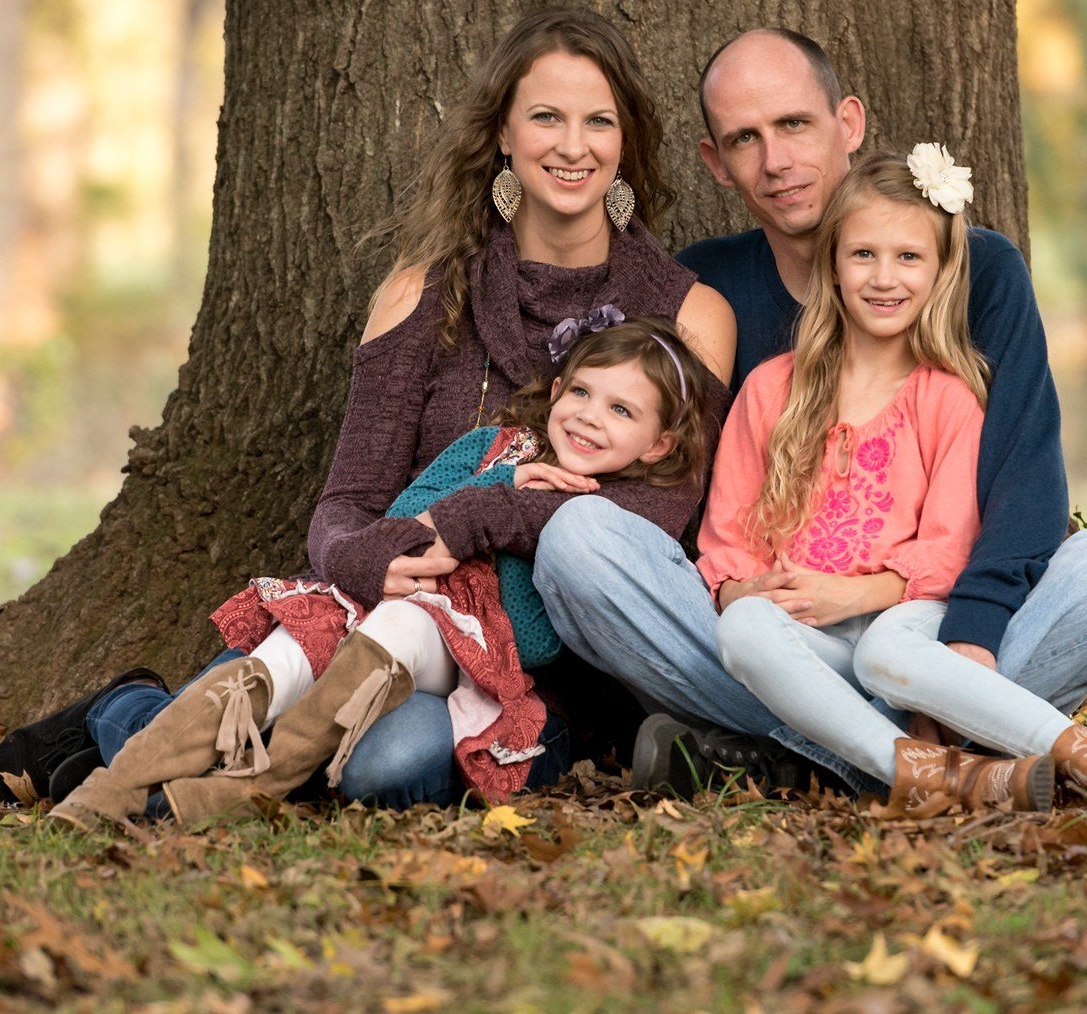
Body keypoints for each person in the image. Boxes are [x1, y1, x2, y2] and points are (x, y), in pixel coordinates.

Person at [15, 8, 735, 824]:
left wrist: (473, 518)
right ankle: (133, 724)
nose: (573, 145)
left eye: (598, 121)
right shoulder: (421, 293)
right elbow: (344, 505)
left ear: (626, 139)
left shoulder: (687, 316)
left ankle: (126, 733)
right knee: (266, 693)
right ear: (504, 133)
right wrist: (369, 560)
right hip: (388, 615)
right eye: (546, 117)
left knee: (387, 770)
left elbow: (651, 517)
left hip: (541, 672)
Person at [534, 28, 1087, 797]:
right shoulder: (702, 290)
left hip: (929, 624)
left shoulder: (980, 273)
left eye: (794, 123)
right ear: (716, 162)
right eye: (745, 139)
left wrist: (967, 639)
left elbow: (1024, 484)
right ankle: (910, 759)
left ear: (848, 123)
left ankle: (803, 760)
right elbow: (671, 477)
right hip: (772, 626)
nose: (776, 160)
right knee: (579, 542)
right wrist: (730, 588)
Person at [53, 318, 713, 828]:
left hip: (456, 658)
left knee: (402, 633)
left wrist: (513, 524)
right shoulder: (487, 448)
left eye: (622, 410)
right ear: (559, 390)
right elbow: (397, 531)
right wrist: (500, 487)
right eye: (584, 392)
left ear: (658, 444)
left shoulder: (609, 520)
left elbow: (534, 641)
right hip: (368, 612)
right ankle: (106, 793)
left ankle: (253, 786)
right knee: (282, 657)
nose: (591, 416)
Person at [705, 150, 1087, 822]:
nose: (884, 277)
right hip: (807, 641)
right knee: (742, 631)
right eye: (863, 255)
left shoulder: (948, 396)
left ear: (942, 274)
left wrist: (857, 593)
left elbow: (948, 548)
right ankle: (926, 770)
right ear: (832, 266)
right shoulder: (771, 389)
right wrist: (745, 592)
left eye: (909, 257)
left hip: (909, 620)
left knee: (885, 651)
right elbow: (727, 539)